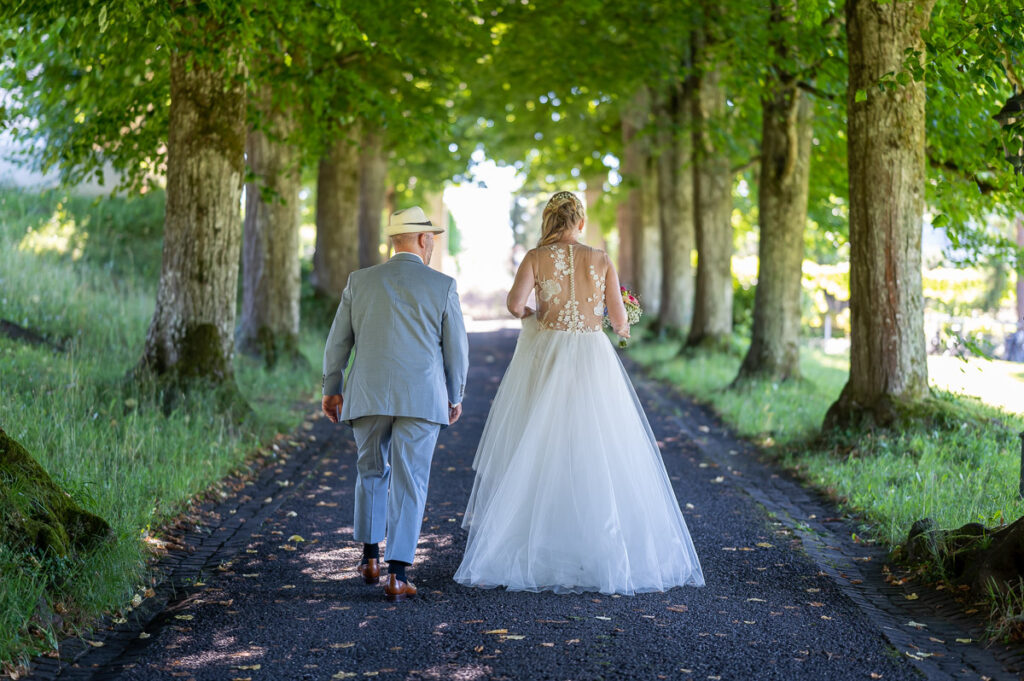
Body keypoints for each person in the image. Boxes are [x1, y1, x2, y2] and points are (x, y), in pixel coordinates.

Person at [454, 191, 704, 594]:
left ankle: (541, 541)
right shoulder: (600, 258)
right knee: (597, 441)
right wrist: (621, 324)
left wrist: (535, 314)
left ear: (549, 221)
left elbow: (515, 305)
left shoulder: (535, 257)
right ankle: (598, 545)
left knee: (543, 441)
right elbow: (617, 319)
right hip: (591, 356)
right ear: (580, 222)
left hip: (549, 354)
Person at [322, 206, 469, 602]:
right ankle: (397, 575)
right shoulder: (442, 285)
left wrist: (332, 387)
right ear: (422, 239)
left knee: (370, 470)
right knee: (410, 479)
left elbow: (337, 342)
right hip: (421, 397)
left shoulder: (359, 281)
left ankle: (370, 558)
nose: (432, 244)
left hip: (367, 393)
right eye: (431, 237)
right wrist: (455, 394)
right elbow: (456, 350)